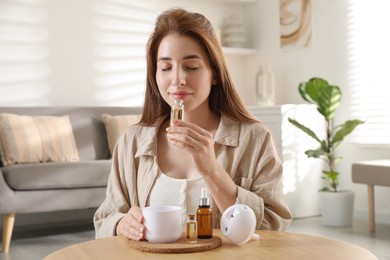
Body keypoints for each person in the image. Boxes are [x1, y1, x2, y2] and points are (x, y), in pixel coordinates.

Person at [94, 8, 291, 240]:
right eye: (166, 67)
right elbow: (104, 219)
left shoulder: (255, 139)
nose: (177, 79)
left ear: (214, 73)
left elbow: (274, 229)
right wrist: (120, 224)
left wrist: (212, 170)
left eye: (191, 66)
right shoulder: (132, 142)